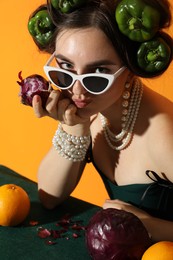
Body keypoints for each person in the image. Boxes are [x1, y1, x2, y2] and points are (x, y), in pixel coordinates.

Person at [28, 0, 173, 242]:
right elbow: (49, 196)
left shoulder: (164, 134)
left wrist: (146, 226)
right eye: (65, 68)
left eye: (99, 74)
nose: (77, 91)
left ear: (129, 68)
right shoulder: (94, 108)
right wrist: (75, 127)